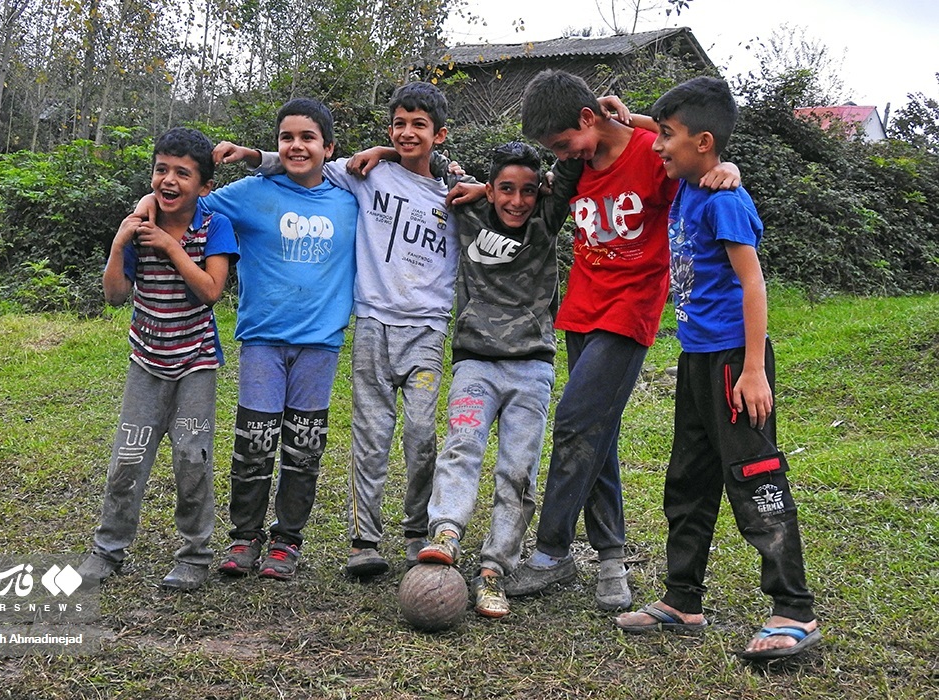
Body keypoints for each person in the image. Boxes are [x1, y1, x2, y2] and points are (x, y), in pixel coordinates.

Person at [504, 69, 740, 611]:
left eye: (565, 144)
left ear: (589, 118)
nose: (563, 155)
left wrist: (727, 166)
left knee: (573, 421)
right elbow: (533, 216)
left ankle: (552, 552)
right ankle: (610, 559)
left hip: (630, 311)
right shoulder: (576, 168)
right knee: (597, 431)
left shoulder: (650, 153)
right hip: (583, 309)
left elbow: (698, 162)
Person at [217, 82, 461, 578]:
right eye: (398, 124)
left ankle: (412, 530)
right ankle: (351, 540)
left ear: (439, 134)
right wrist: (250, 155)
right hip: (365, 324)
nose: (407, 133)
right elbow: (295, 161)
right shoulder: (362, 178)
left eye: (419, 125)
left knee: (418, 435)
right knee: (345, 438)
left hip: (419, 331)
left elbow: (500, 203)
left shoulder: (453, 193)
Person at [615, 76, 821, 661]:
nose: (659, 147)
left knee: (757, 480)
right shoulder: (688, 182)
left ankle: (794, 612)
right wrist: (634, 117)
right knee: (688, 480)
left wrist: (754, 370)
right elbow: (664, 134)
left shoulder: (724, 197)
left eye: (670, 137)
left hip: (735, 362)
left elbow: (753, 282)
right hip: (697, 361)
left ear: (704, 142)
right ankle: (682, 601)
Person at [166, 98, 358, 581]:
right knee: (255, 441)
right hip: (262, 340)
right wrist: (151, 204)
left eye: (308, 138)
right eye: (287, 138)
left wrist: (255, 152)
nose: (297, 146)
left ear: (328, 148)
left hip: (321, 343)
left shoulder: (350, 196)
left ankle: (287, 541)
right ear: (276, 145)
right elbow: (189, 203)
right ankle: (245, 537)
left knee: (305, 446)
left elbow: (395, 166)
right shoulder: (250, 194)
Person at [411, 142, 582, 618]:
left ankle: (494, 570)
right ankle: (445, 533)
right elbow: (423, 150)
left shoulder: (546, 220)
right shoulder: (469, 208)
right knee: (462, 446)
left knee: (518, 471)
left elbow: (571, 159)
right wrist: (385, 146)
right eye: (506, 189)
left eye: (529, 190)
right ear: (490, 188)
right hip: (475, 364)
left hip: (532, 368)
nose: (517, 201)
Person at [77, 126, 238, 592]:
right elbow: (113, 296)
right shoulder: (139, 227)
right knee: (127, 459)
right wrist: (118, 245)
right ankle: (107, 551)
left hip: (196, 364)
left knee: (193, 458)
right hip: (145, 362)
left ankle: (194, 556)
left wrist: (170, 247)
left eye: (183, 173)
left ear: (205, 186)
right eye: (161, 170)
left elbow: (211, 292)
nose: (169, 180)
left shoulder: (215, 227)